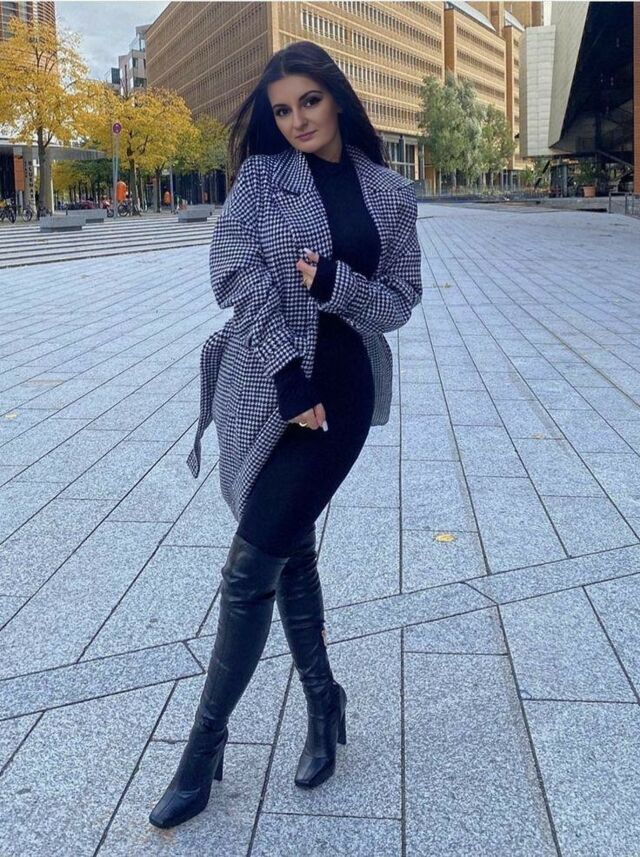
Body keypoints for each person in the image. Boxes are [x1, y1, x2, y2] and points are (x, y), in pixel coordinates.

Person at [149, 39, 422, 830]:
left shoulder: (389, 193)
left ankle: (201, 751)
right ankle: (324, 700)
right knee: (287, 545)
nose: (298, 119)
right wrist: (286, 379)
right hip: (271, 385)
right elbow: (235, 277)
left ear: (335, 98)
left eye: (309, 101)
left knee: (250, 566)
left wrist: (338, 285)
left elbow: (401, 300)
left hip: (341, 396)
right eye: (282, 109)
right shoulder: (263, 179)